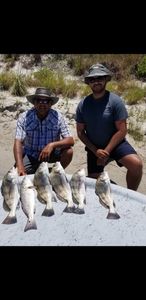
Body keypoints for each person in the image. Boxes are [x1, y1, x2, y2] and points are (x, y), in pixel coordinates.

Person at [75, 63, 143, 191]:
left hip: (116, 144)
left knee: (136, 165)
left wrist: (106, 151)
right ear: (88, 82)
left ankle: (130, 193)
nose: (96, 82)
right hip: (94, 147)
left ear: (106, 79)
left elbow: (122, 130)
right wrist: (96, 151)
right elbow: (80, 132)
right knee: (94, 182)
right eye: (92, 79)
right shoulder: (83, 105)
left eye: (100, 78)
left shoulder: (115, 101)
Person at [13, 87, 74, 175]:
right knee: (17, 174)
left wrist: (51, 145)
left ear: (50, 104)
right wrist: (20, 166)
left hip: (52, 153)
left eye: (46, 101)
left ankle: (54, 174)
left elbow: (70, 140)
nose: (42, 104)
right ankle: (36, 170)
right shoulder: (24, 117)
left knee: (69, 152)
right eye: (38, 100)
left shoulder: (58, 117)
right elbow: (18, 142)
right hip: (31, 154)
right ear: (34, 103)